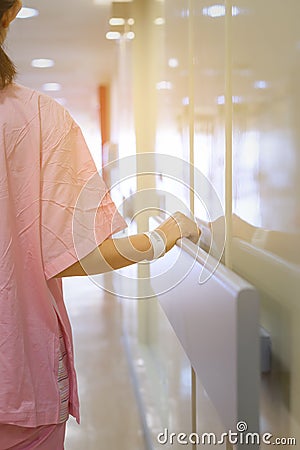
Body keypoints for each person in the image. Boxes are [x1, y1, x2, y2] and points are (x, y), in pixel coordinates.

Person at [0, 1, 200, 448]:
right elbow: (79, 254)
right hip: (16, 383)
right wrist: (166, 234)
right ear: (11, 11)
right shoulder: (38, 119)